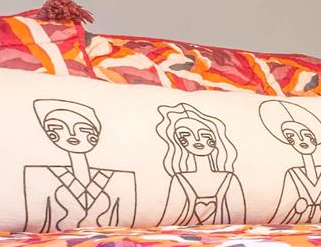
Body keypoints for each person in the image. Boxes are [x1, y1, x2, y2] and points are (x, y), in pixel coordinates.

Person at [21, 98, 135, 232]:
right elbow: (37, 221)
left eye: (83, 129)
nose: (72, 134)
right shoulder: (38, 175)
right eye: (58, 128)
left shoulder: (122, 178)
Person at [155, 102, 248, 227]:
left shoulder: (230, 178)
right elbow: (168, 217)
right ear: (178, 141)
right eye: (186, 135)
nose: (197, 139)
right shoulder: (180, 179)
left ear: (215, 140)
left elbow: (241, 214)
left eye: (204, 135)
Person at [259, 99, 321, 224]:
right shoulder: (293, 174)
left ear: (315, 137)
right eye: (291, 136)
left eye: (306, 135)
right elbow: (282, 212)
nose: (301, 140)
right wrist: (298, 210)